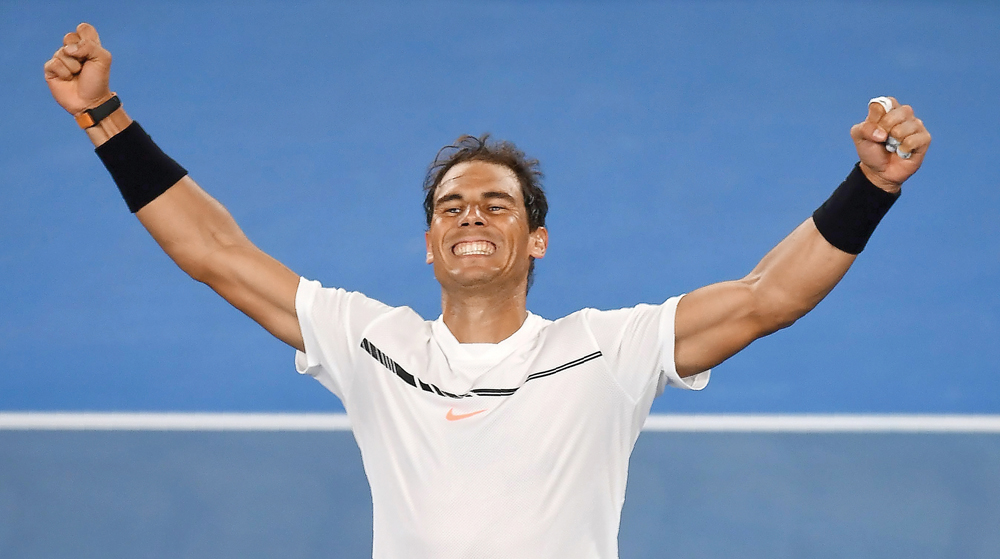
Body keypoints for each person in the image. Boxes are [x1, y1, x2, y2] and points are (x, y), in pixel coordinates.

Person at [45, 22, 931, 559]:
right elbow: (215, 252)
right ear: (430, 242)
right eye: (452, 205)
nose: (472, 214)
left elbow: (764, 297)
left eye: (496, 203)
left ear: (534, 237)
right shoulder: (371, 344)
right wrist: (103, 116)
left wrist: (873, 187)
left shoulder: (605, 351)